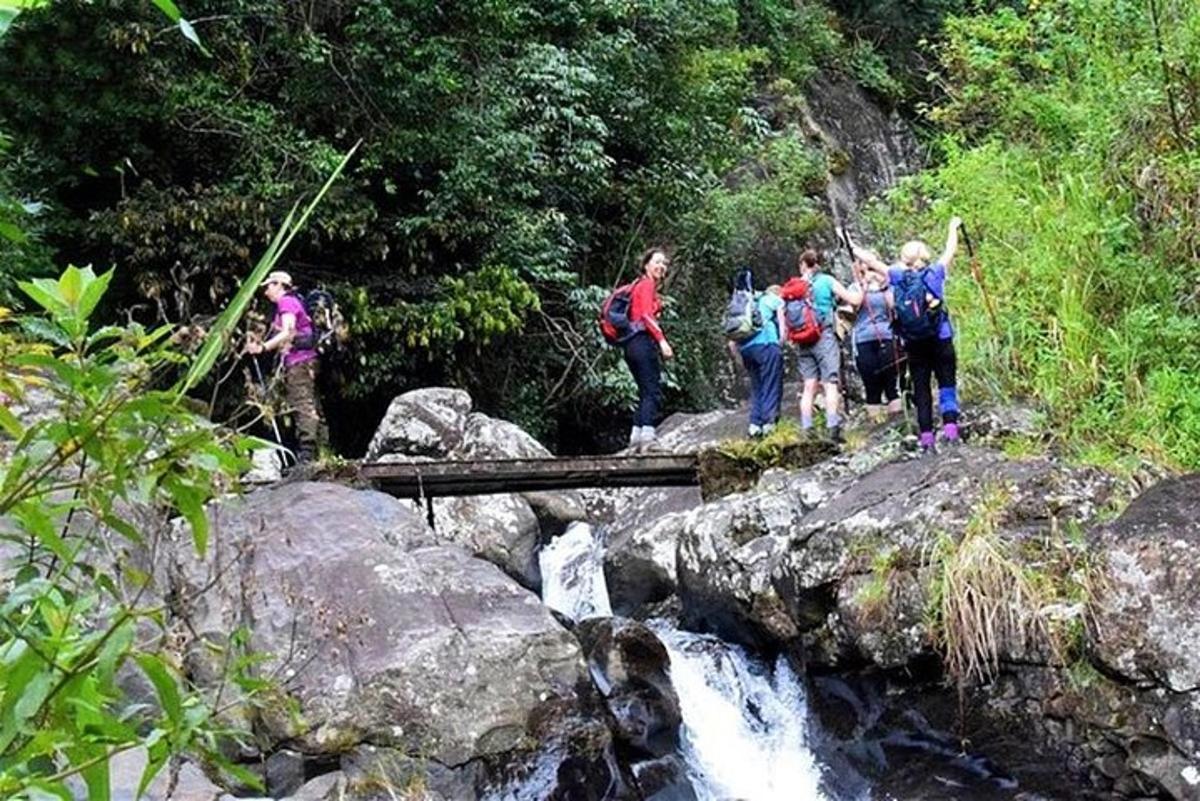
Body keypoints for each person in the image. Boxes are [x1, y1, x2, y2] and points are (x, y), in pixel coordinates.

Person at [847, 217, 963, 452]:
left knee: (921, 389)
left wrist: (848, 242)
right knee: (946, 383)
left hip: (913, 343)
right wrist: (953, 226)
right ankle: (951, 432)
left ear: (904, 259)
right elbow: (951, 249)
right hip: (941, 337)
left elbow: (870, 260)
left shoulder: (897, 276)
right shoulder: (936, 272)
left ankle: (927, 441)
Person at [246, 270, 322, 465]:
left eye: (269, 286)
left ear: (279, 285)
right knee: (303, 403)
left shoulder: (286, 302)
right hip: (302, 361)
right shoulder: (293, 302)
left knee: (302, 403)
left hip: (299, 362)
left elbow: (288, 332)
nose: (266, 292)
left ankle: (307, 454)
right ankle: (308, 451)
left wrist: (263, 348)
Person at [794, 249, 861, 442]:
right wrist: (861, 286)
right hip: (824, 336)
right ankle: (833, 426)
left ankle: (807, 428)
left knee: (809, 386)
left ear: (802, 265)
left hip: (803, 340)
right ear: (818, 264)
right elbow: (854, 299)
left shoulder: (796, 286)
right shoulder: (826, 281)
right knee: (830, 383)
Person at [624, 248, 674, 448]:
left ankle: (636, 437)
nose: (661, 266)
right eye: (657, 262)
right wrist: (662, 341)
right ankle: (648, 437)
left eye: (664, 263)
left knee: (645, 390)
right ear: (646, 265)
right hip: (642, 341)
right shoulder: (646, 285)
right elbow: (646, 315)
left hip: (631, 344)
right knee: (652, 389)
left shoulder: (638, 286)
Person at [729, 276, 785, 438]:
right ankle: (769, 423)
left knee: (757, 386)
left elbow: (732, 343)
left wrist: (740, 359)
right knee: (770, 383)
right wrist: (778, 344)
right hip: (767, 345)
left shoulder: (748, 302)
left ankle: (755, 425)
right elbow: (783, 330)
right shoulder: (775, 300)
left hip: (747, 349)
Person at [849, 255, 902, 423]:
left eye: (871, 268)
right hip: (863, 339)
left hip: (887, 336)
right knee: (871, 387)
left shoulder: (887, 287)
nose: (869, 272)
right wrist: (862, 285)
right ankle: (875, 428)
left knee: (891, 385)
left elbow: (893, 305)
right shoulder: (854, 287)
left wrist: (882, 285)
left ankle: (897, 424)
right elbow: (853, 306)